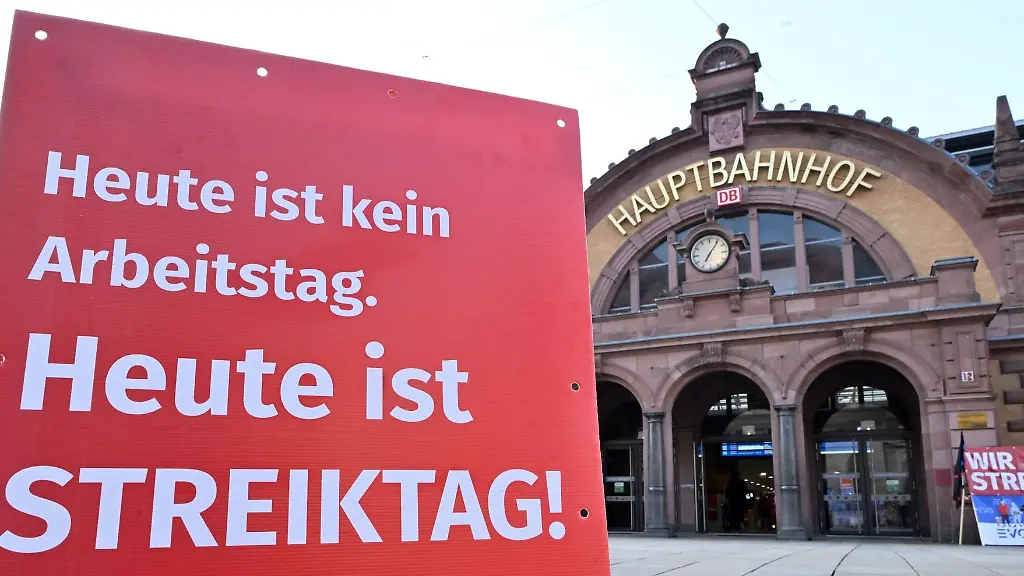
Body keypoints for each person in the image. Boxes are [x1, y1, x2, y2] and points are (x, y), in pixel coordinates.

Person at [725, 465, 747, 532]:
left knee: (733, 514)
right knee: (740, 514)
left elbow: (727, 491)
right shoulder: (741, 482)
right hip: (740, 501)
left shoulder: (731, 482)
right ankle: (739, 526)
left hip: (733, 501)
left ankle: (735, 526)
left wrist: (728, 497)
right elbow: (746, 491)